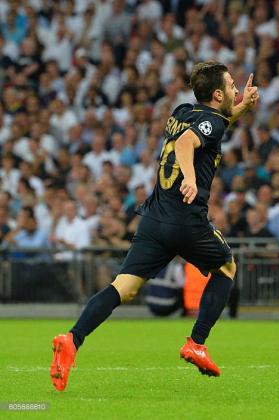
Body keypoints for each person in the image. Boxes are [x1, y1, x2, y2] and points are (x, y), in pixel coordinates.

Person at [50, 61, 259, 390]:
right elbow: (190, 143)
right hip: (186, 220)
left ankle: (72, 340)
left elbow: (211, 125)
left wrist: (242, 105)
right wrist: (190, 178)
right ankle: (196, 343)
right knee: (227, 268)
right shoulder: (211, 125)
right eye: (232, 86)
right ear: (218, 94)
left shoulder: (182, 111)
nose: (237, 89)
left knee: (124, 287)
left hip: (153, 219)